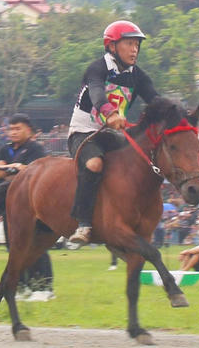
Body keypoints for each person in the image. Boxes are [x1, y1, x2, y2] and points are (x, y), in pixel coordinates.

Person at [66, 20, 160, 248]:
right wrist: (109, 113)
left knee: (142, 163)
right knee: (95, 164)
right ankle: (84, 224)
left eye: (137, 44)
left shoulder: (138, 75)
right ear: (112, 46)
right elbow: (98, 95)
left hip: (111, 136)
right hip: (84, 133)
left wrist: (177, 114)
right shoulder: (97, 68)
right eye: (129, 43)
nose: (135, 49)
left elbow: (155, 101)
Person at [0, 113, 53, 301]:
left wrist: (9, 170)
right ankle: (22, 286)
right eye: (11, 128)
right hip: (9, 204)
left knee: (35, 244)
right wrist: (12, 168)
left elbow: (34, 171)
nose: (14, 132)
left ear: (28, 130)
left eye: (18, 128)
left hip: (30, 205)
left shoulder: (35, 149)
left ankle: (44, 287)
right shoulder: (5, 149)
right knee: (13, 246)